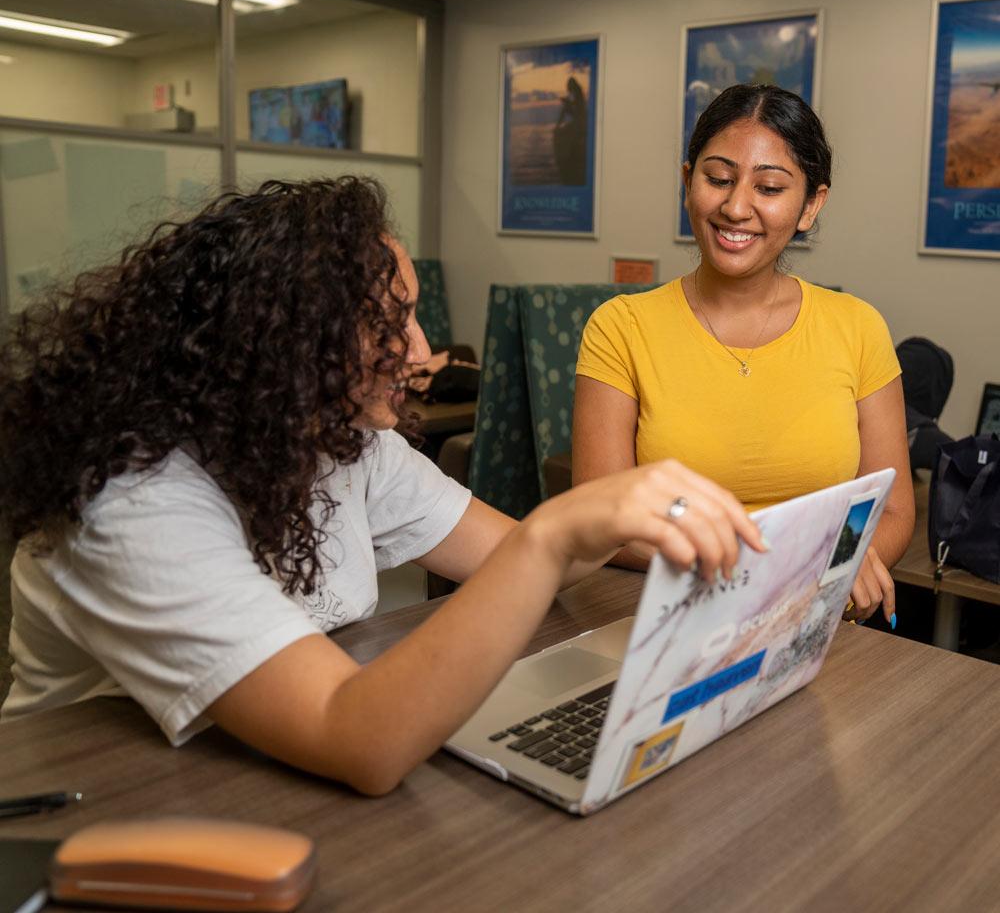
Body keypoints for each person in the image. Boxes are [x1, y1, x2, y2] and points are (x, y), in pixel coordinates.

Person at [0, 177, 765, 796]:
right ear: (287, 342)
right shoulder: (127, 498)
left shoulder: (340, 439)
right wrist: (555, 529)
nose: (424, 351)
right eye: (391, 323)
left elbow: (510, 563)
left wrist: (603, 525)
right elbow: (355, 740)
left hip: (257, 777)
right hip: (102, 810)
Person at [574, 84, 914, 626]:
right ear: (688, 182)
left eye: (770, 187)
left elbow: (893, 509)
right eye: (718, 179)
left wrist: (851, 558)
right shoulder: (621, 328)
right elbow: (599, 519)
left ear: (811, 205)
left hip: (810, 621)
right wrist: (770, 565)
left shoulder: (858, 327)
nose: (736, 207)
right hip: (664, 621)